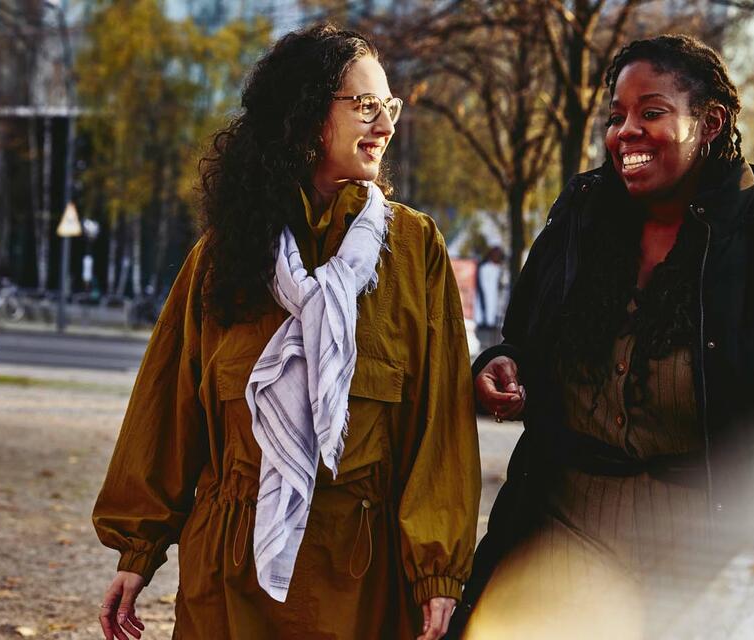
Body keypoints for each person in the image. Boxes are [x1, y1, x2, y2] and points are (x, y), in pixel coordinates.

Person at [452, 34, 754, 637]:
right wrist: (503, 367)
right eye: (616, 116)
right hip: (562, 539)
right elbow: (521, 339)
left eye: (651, 112)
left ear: (711, 122)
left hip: (710, 567)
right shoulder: (577, 221)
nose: (625, 131)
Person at [93, 24, 480, 640]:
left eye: (390, 107)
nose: (385, 126)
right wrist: (136, 554)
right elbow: (168, 409)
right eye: (365, 106)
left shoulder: (415, 251)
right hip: (231, 578)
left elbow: (441, 426)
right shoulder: (223, 257)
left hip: (361, 576)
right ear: (303, 115)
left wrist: (437, 573)